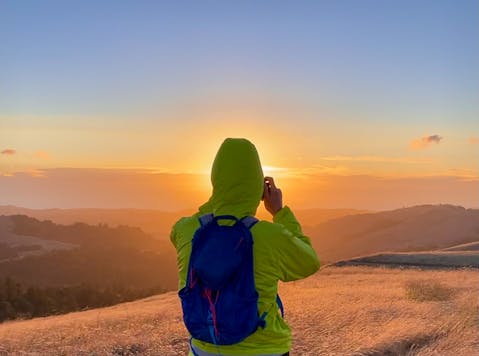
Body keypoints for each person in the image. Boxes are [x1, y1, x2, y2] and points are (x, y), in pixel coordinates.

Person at [170, 138, 320, 356]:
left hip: (204, 348)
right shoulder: (270, 236)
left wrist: (219, 202)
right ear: (258, 186)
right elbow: (310, 261)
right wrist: (280, 212)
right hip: (264, 349)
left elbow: (179, 231)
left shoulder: (186, 230)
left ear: (215, 181)